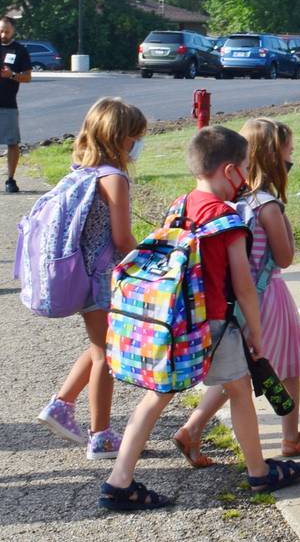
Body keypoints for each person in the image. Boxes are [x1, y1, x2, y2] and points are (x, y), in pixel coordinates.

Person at [99, 126, 300, 510]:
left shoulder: (180, 206)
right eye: (245, 166)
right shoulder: (227, 219)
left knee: (156, 397)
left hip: (176, 323)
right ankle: (259, 471)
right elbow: (243, 286)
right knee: (240, 393)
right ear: (230, 170)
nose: (246, 175)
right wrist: (256, 333)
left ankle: (119, 480)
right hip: (215, 324)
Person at [173, 118, 300, 467]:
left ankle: (192, 428)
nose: (291, 159)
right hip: (267, 296)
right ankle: (291, 437)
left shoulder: (233, 200)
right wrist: (282, 215)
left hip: (235, 303)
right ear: (274, 158)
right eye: (289, 153)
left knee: (238, 370)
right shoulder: (267, 204)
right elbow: (284, 257)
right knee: (286, 368)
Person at [36, 98, 145, 458]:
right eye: (135, 137)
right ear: (120, 138)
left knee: (101, 345)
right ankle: (101, 436)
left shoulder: (82, 172)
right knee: (106, 357)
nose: (138, 144)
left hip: (83, 276)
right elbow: (123, 238)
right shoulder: (115, 179)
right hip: (103, 280)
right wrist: (151, 261)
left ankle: (62, 404)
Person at [0, 16, 32, 193]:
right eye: (1, 31)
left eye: (6, 31)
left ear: (13, 31)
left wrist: (11, 75)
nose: (3, 35)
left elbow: (27, 77)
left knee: (12, 142)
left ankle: (10, 180)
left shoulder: (20, 51)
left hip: (8, 103)